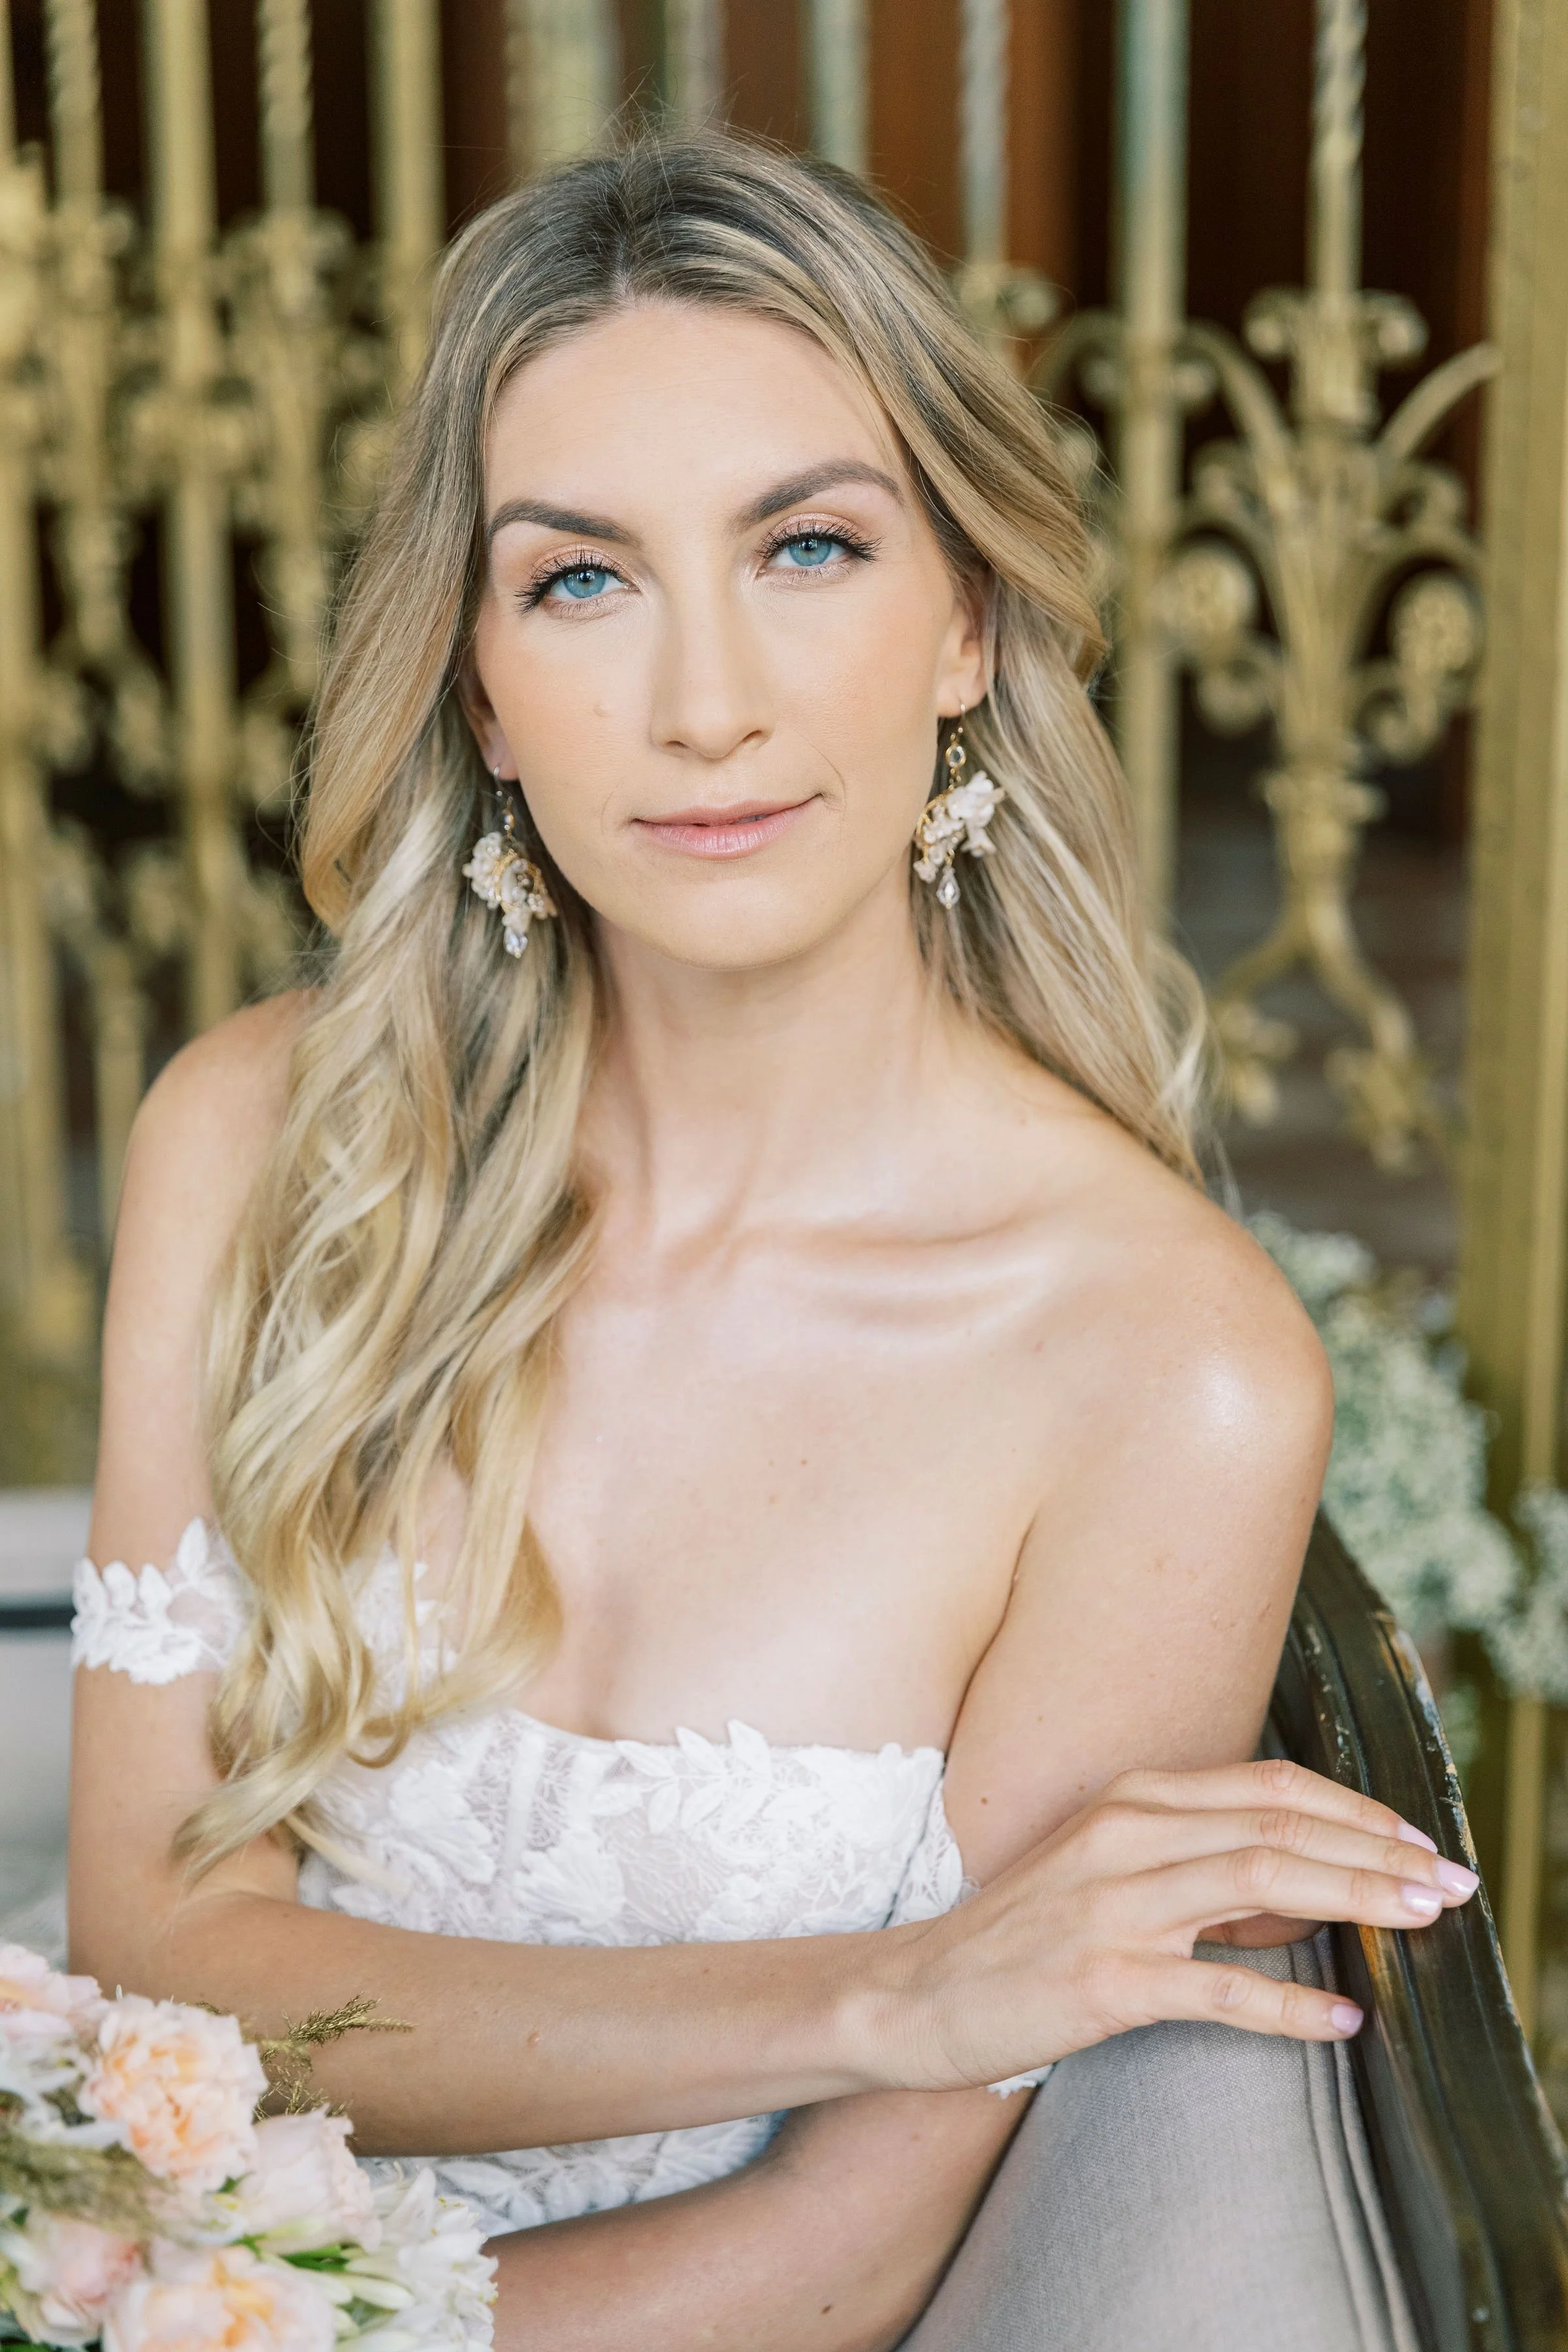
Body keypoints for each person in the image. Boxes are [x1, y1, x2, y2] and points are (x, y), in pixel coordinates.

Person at [67, 133, 1477, 2351]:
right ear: (475, 684)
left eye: (808, 546)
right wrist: (889, 1995)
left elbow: (832, 2266)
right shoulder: (259, 1146)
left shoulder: (1162, 1374)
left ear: (972, 623)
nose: (704, 702)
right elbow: (162, 1947)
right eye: (581, 581)